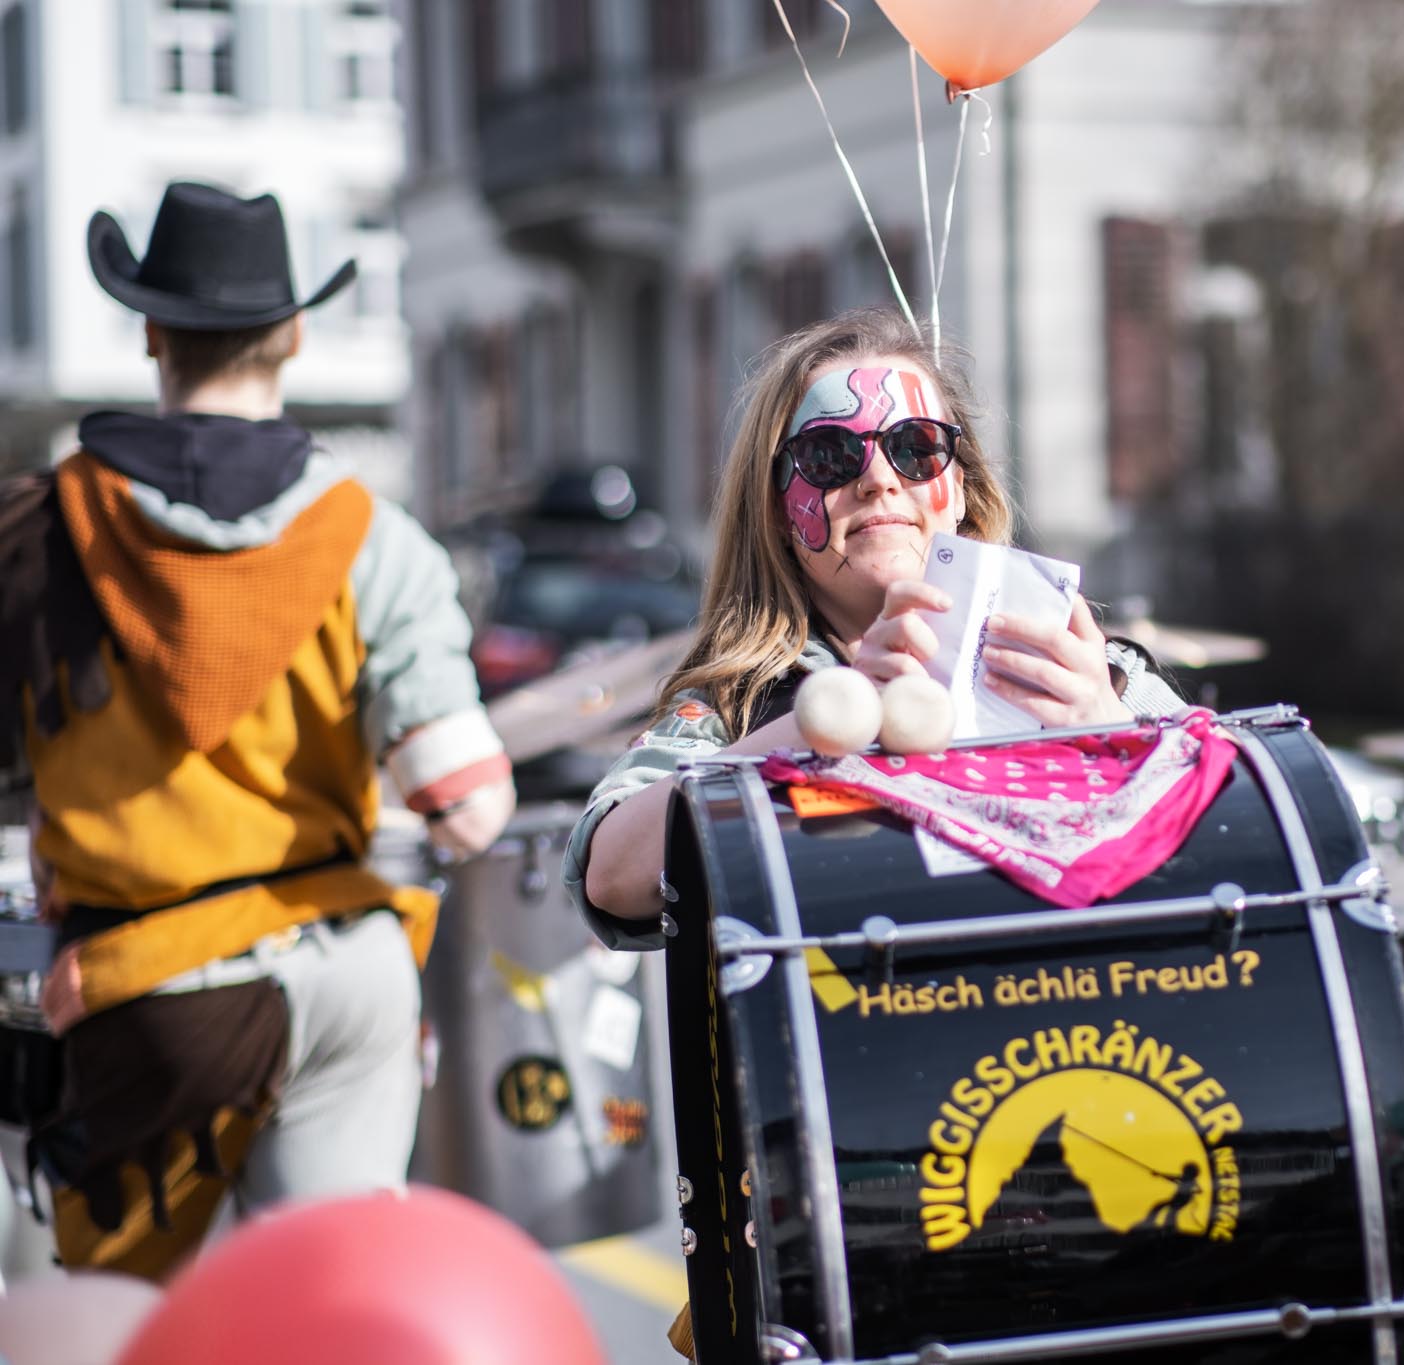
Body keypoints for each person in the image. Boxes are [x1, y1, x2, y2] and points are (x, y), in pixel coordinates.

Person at [0, 182, 514, 1280]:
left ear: (152, 331)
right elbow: (467, 807)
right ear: (293, 335)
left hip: (147, 997)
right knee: (327, 1307)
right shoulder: (377, 538)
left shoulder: (38, 531)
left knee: (126, 1330)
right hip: (345, 974)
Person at [567, 306, 1182, 942]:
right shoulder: (740, 707)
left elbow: (1237, 821)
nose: (879, 479)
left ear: (961, 486)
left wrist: (1112, 731)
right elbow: (613, 877)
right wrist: (820, 722)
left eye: (915, 448)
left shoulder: (1088, 668)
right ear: (776, 509)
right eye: (829, 456)